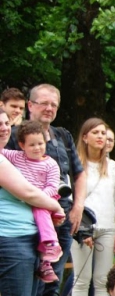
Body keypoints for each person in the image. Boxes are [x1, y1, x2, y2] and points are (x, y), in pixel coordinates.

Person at [17, 84, 86, 296]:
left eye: (54, 105)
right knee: (32, 282)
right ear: (29, 105)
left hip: (63, 218)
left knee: (51, 283)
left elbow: (78, 174)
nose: (49, 109)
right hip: (32, 219)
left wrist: (79, 206)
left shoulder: (63, 135)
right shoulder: (17, 136)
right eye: (43, 103)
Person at [0, 110, 66, 296]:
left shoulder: (12, 158)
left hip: (28, 236)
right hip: (10, 237)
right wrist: (55, 207)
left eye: (6, 123)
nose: (4, 128)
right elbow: (27, 192)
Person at [70, 118, 115, 296]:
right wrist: (81, 230)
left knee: (102, 280)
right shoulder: (75, 164)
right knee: (81, 279)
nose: (101, 137)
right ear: (85, 137)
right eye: (95, 133)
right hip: (83, 227)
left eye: (103, 133)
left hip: (108, 227)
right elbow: (71, 199)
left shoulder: (112, 166)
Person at [2, 121, 66, 283]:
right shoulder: (17, 157)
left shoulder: (50, 164)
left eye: (40, 143)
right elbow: (2, 152)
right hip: (28, 201)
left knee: (40, 213)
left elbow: (53, 186)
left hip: (44, 200)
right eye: (32, 145)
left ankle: (50, 245)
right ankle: (45, 262)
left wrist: (40, 198)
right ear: (22, 145)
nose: (37, 148)